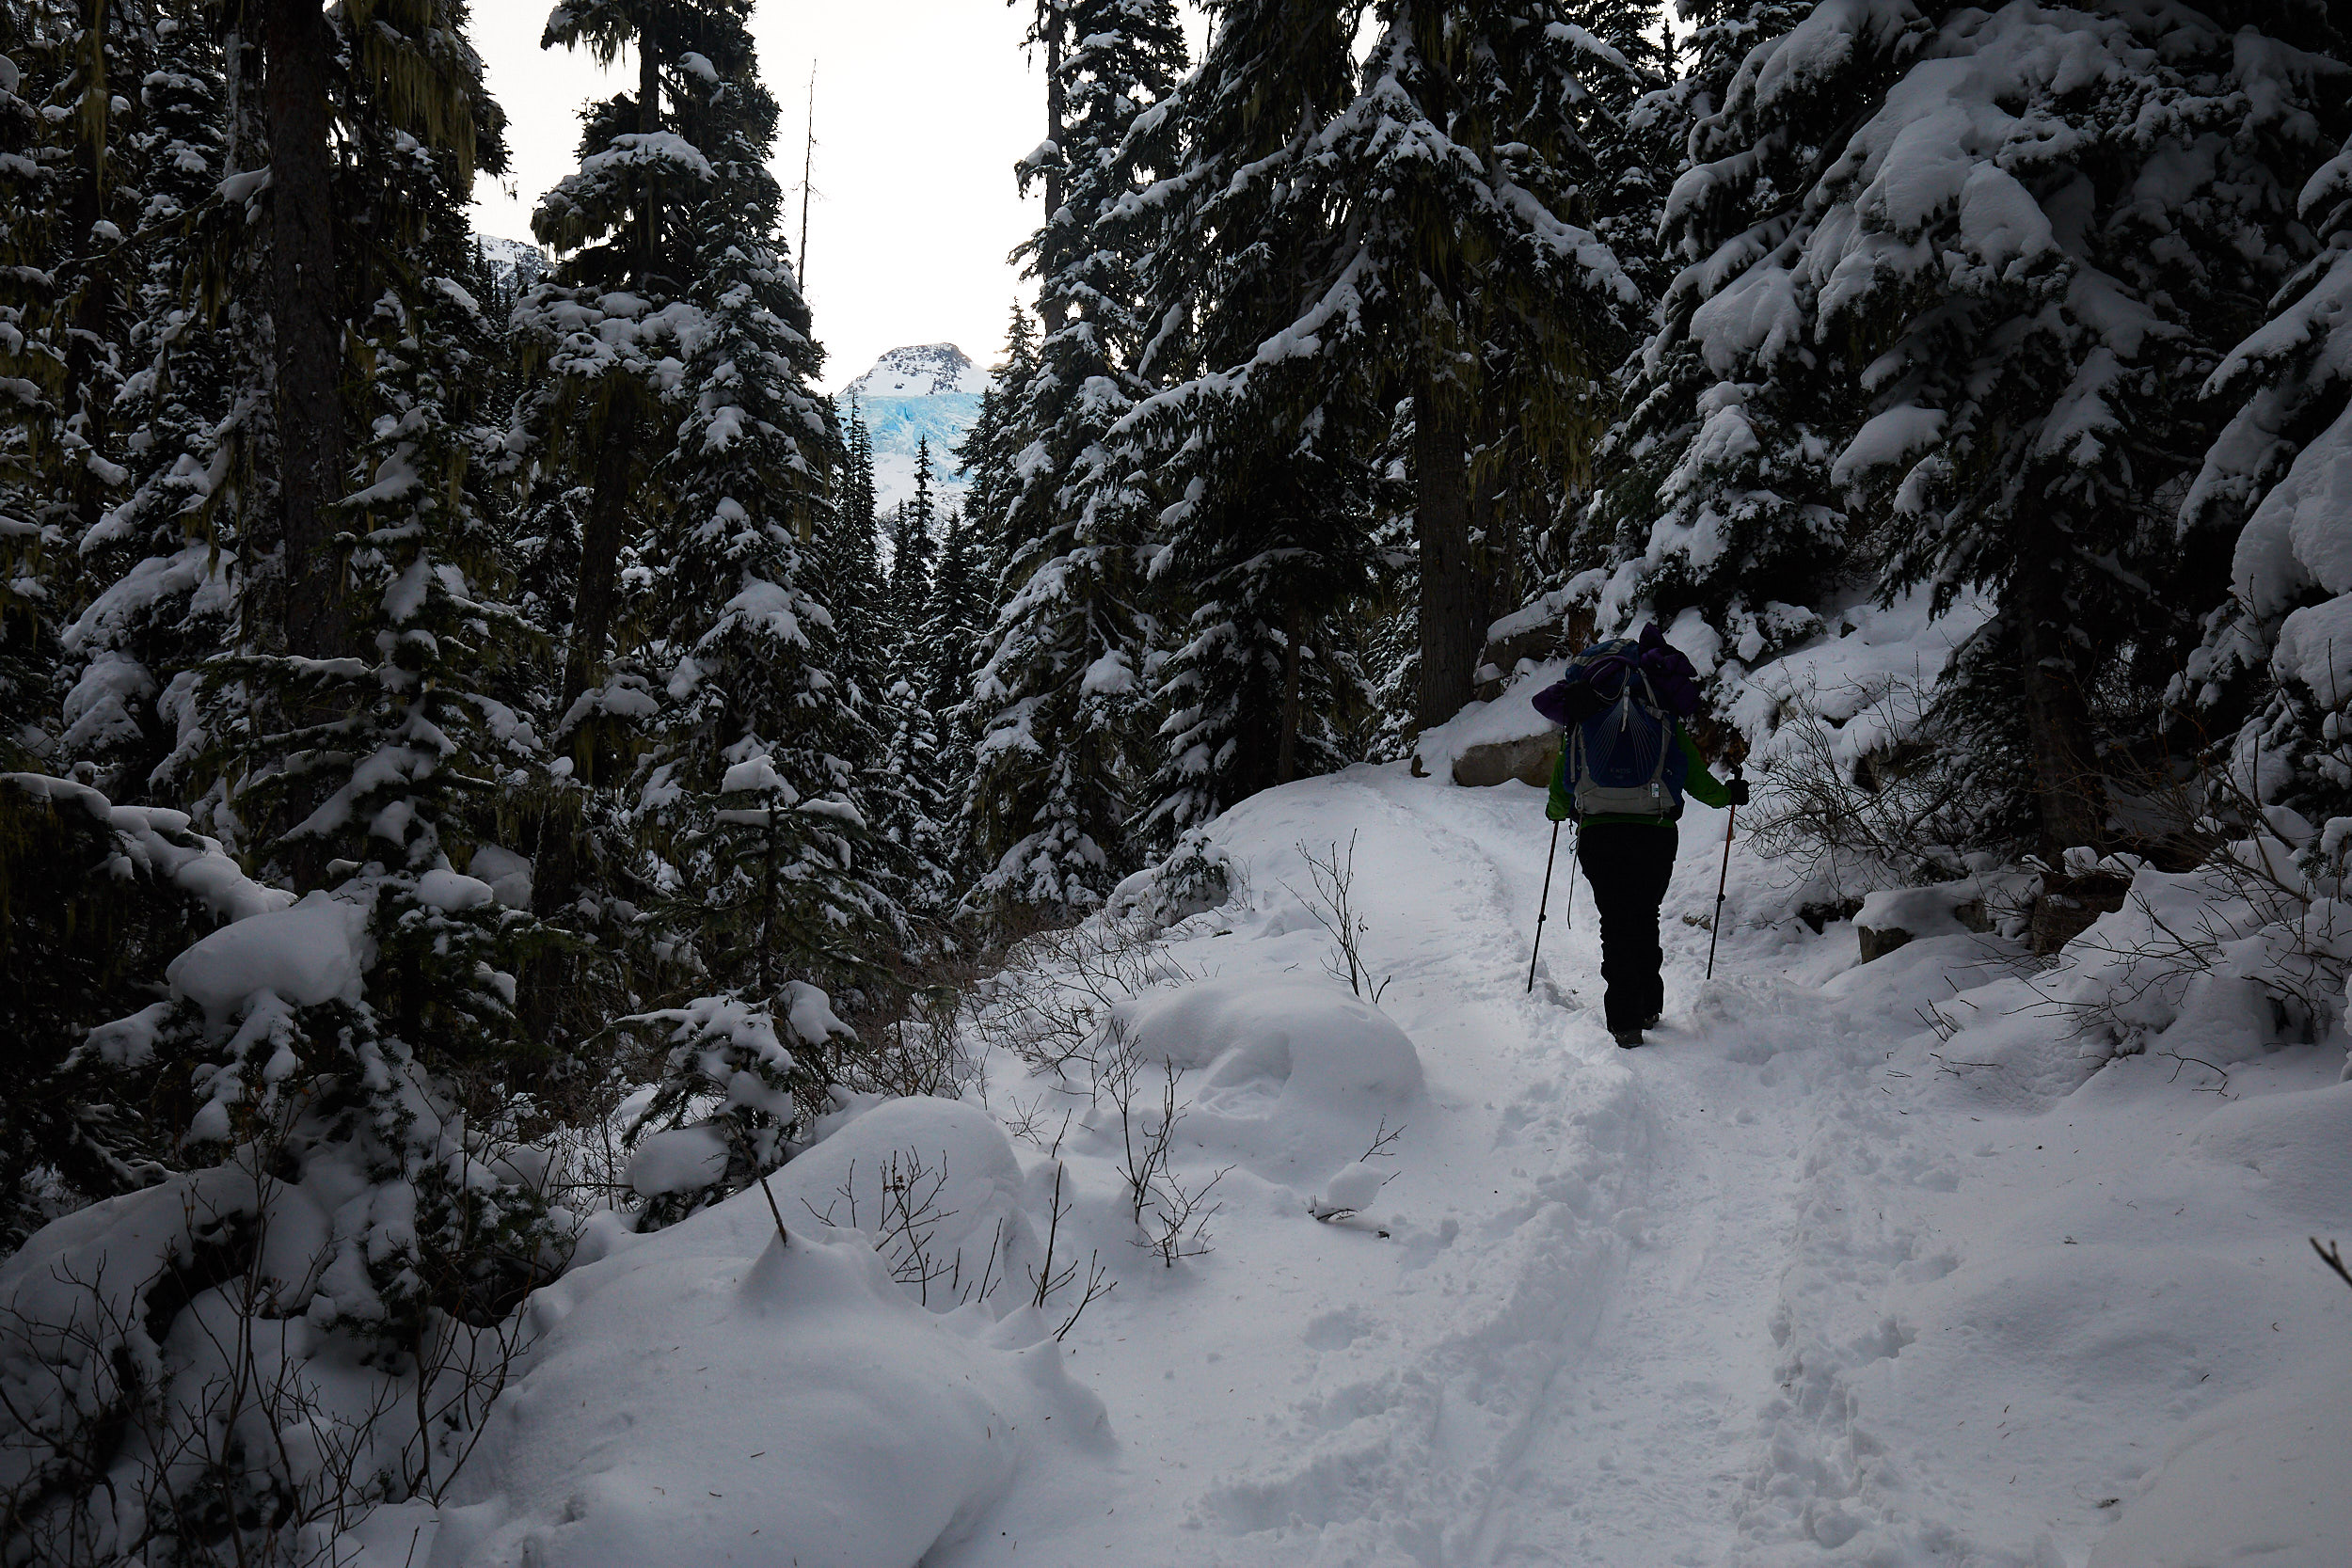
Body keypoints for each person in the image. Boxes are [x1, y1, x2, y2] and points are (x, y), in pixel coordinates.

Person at [1531, 625, 1748, 1048]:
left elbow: (1564, 785)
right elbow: (1697, 780)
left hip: (1601, 835)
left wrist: (1556, 812)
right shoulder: (1662, 718)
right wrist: (1729, 796)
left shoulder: (1584, 722)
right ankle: (1649, 1005)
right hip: (1655, 834)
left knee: (1616, 923)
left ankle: (1625, 1021)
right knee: (1645, 915)